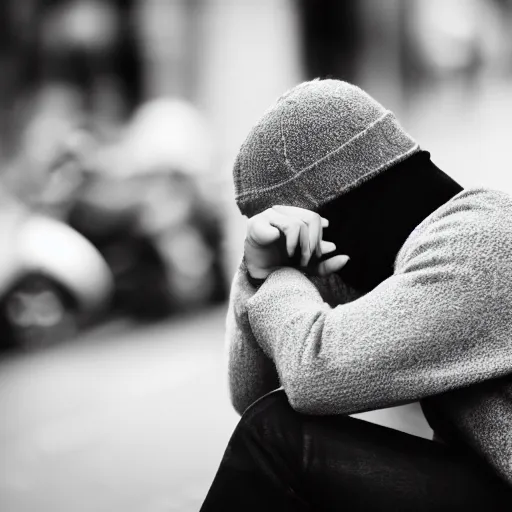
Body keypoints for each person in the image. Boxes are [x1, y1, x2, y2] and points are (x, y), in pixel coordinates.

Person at [200, 79, 512, 511]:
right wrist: (257, 276)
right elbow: (253, 394)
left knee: (281, 438)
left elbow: (314, 375)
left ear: (334, 212)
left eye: (287, 225)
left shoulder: (481, 244)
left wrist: (276, 274)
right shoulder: (390, 252)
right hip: (491, 484)